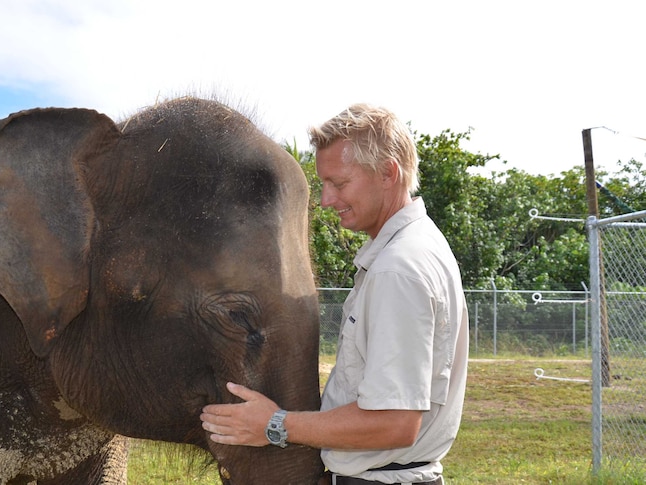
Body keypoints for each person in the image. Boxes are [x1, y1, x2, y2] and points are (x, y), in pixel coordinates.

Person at [200, 103, 469, 485]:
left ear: (389, 173)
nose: (327, 200)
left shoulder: (398, 268)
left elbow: (394, 423)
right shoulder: (419, 246)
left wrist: (274, 425)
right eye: (324, 183)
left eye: (340, 184)